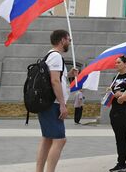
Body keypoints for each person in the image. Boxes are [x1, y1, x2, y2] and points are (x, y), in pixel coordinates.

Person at [36, 30, 79, 172]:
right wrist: (62, 104)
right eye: (68, 39)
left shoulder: (49, 55)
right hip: (52, 104)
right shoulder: (55, 56)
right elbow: (55, 81)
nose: (70, 42)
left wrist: (69, 75)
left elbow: (56, 78)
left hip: (47, 103)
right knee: (60, 140)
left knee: (47, 139)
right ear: (62, 40)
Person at [108, 55, 126, 172]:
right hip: (115, 111)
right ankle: (121, 163)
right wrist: (109, 93)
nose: (116, 64)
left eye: (118, 62)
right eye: (116, 63)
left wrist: (123, 94)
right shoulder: (116, 77)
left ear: (125, 63)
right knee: (119, 138)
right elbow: (113, 90)